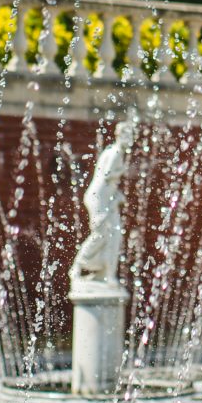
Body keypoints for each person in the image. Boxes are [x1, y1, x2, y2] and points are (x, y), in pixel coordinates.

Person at [69, 120, 136, 290]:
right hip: (98, 198)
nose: (131, 139)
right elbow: (106, 175)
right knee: (101, 233)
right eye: (127, 136)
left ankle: (103, 273)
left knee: (112, 234)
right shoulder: (114, 153)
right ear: (119, 136)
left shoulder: (114, 151)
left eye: (132, 136)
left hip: (105, 198)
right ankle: (78, 267)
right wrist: (125, 171)